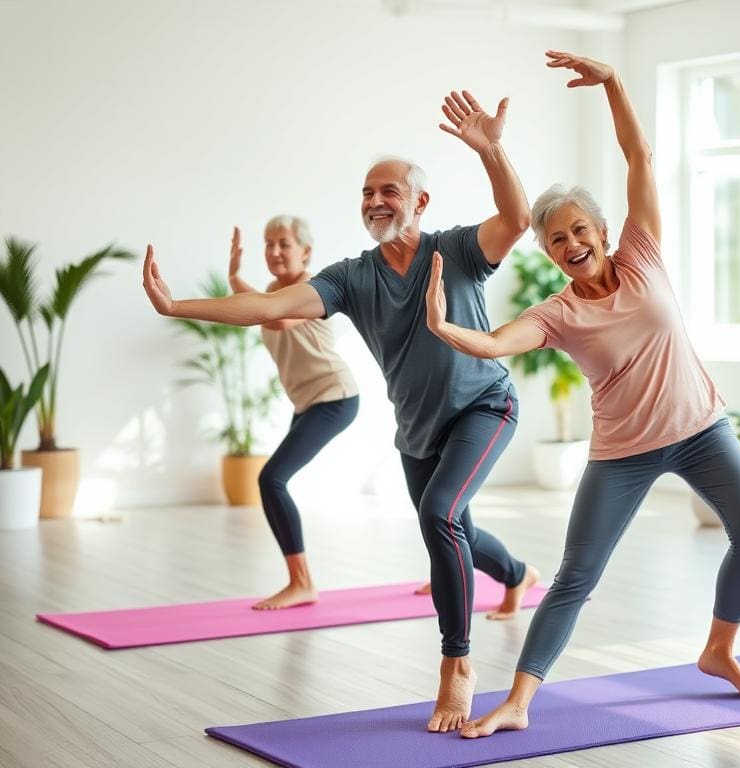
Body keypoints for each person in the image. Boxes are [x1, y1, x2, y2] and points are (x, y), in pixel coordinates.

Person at [143, 89, 539, 733]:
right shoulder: (352, 277)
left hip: (484, 406)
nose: (376, 201)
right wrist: (178, 305)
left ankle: (456, 668)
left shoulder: (458, 249)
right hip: (418, 430)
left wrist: (491, 150)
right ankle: (517, 573)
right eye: (366, 193)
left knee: (440, 516)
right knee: (453, 523)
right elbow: (271, 306)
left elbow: (517, 217)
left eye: (389, 190)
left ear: (419, 201)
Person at [424, 51, 740, 739]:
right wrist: (442, 327)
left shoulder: (643, 256)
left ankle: (719, 649)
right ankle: (520, 700)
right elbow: (497, 344)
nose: (572, 243)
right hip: (624, 453)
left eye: (581, 230)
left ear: (604, 233)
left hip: (702, 428)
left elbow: (639, 154)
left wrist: (613, 81)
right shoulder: (557, 314)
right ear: (550, 255)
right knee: (577, 576)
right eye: (558, 240)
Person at [227, 217, 359, 610]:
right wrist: (235, 277)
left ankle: (302, 583)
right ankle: (300, 580)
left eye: (283, 244)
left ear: (305, 251)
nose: (274, 252)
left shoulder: (312, 290)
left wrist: (237, 287)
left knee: (271, 479)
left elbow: (278, 318)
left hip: (334, 396)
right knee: (273, 481)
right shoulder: (271, 290)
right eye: (268, 244)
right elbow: (262, 309)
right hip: (308, 403)